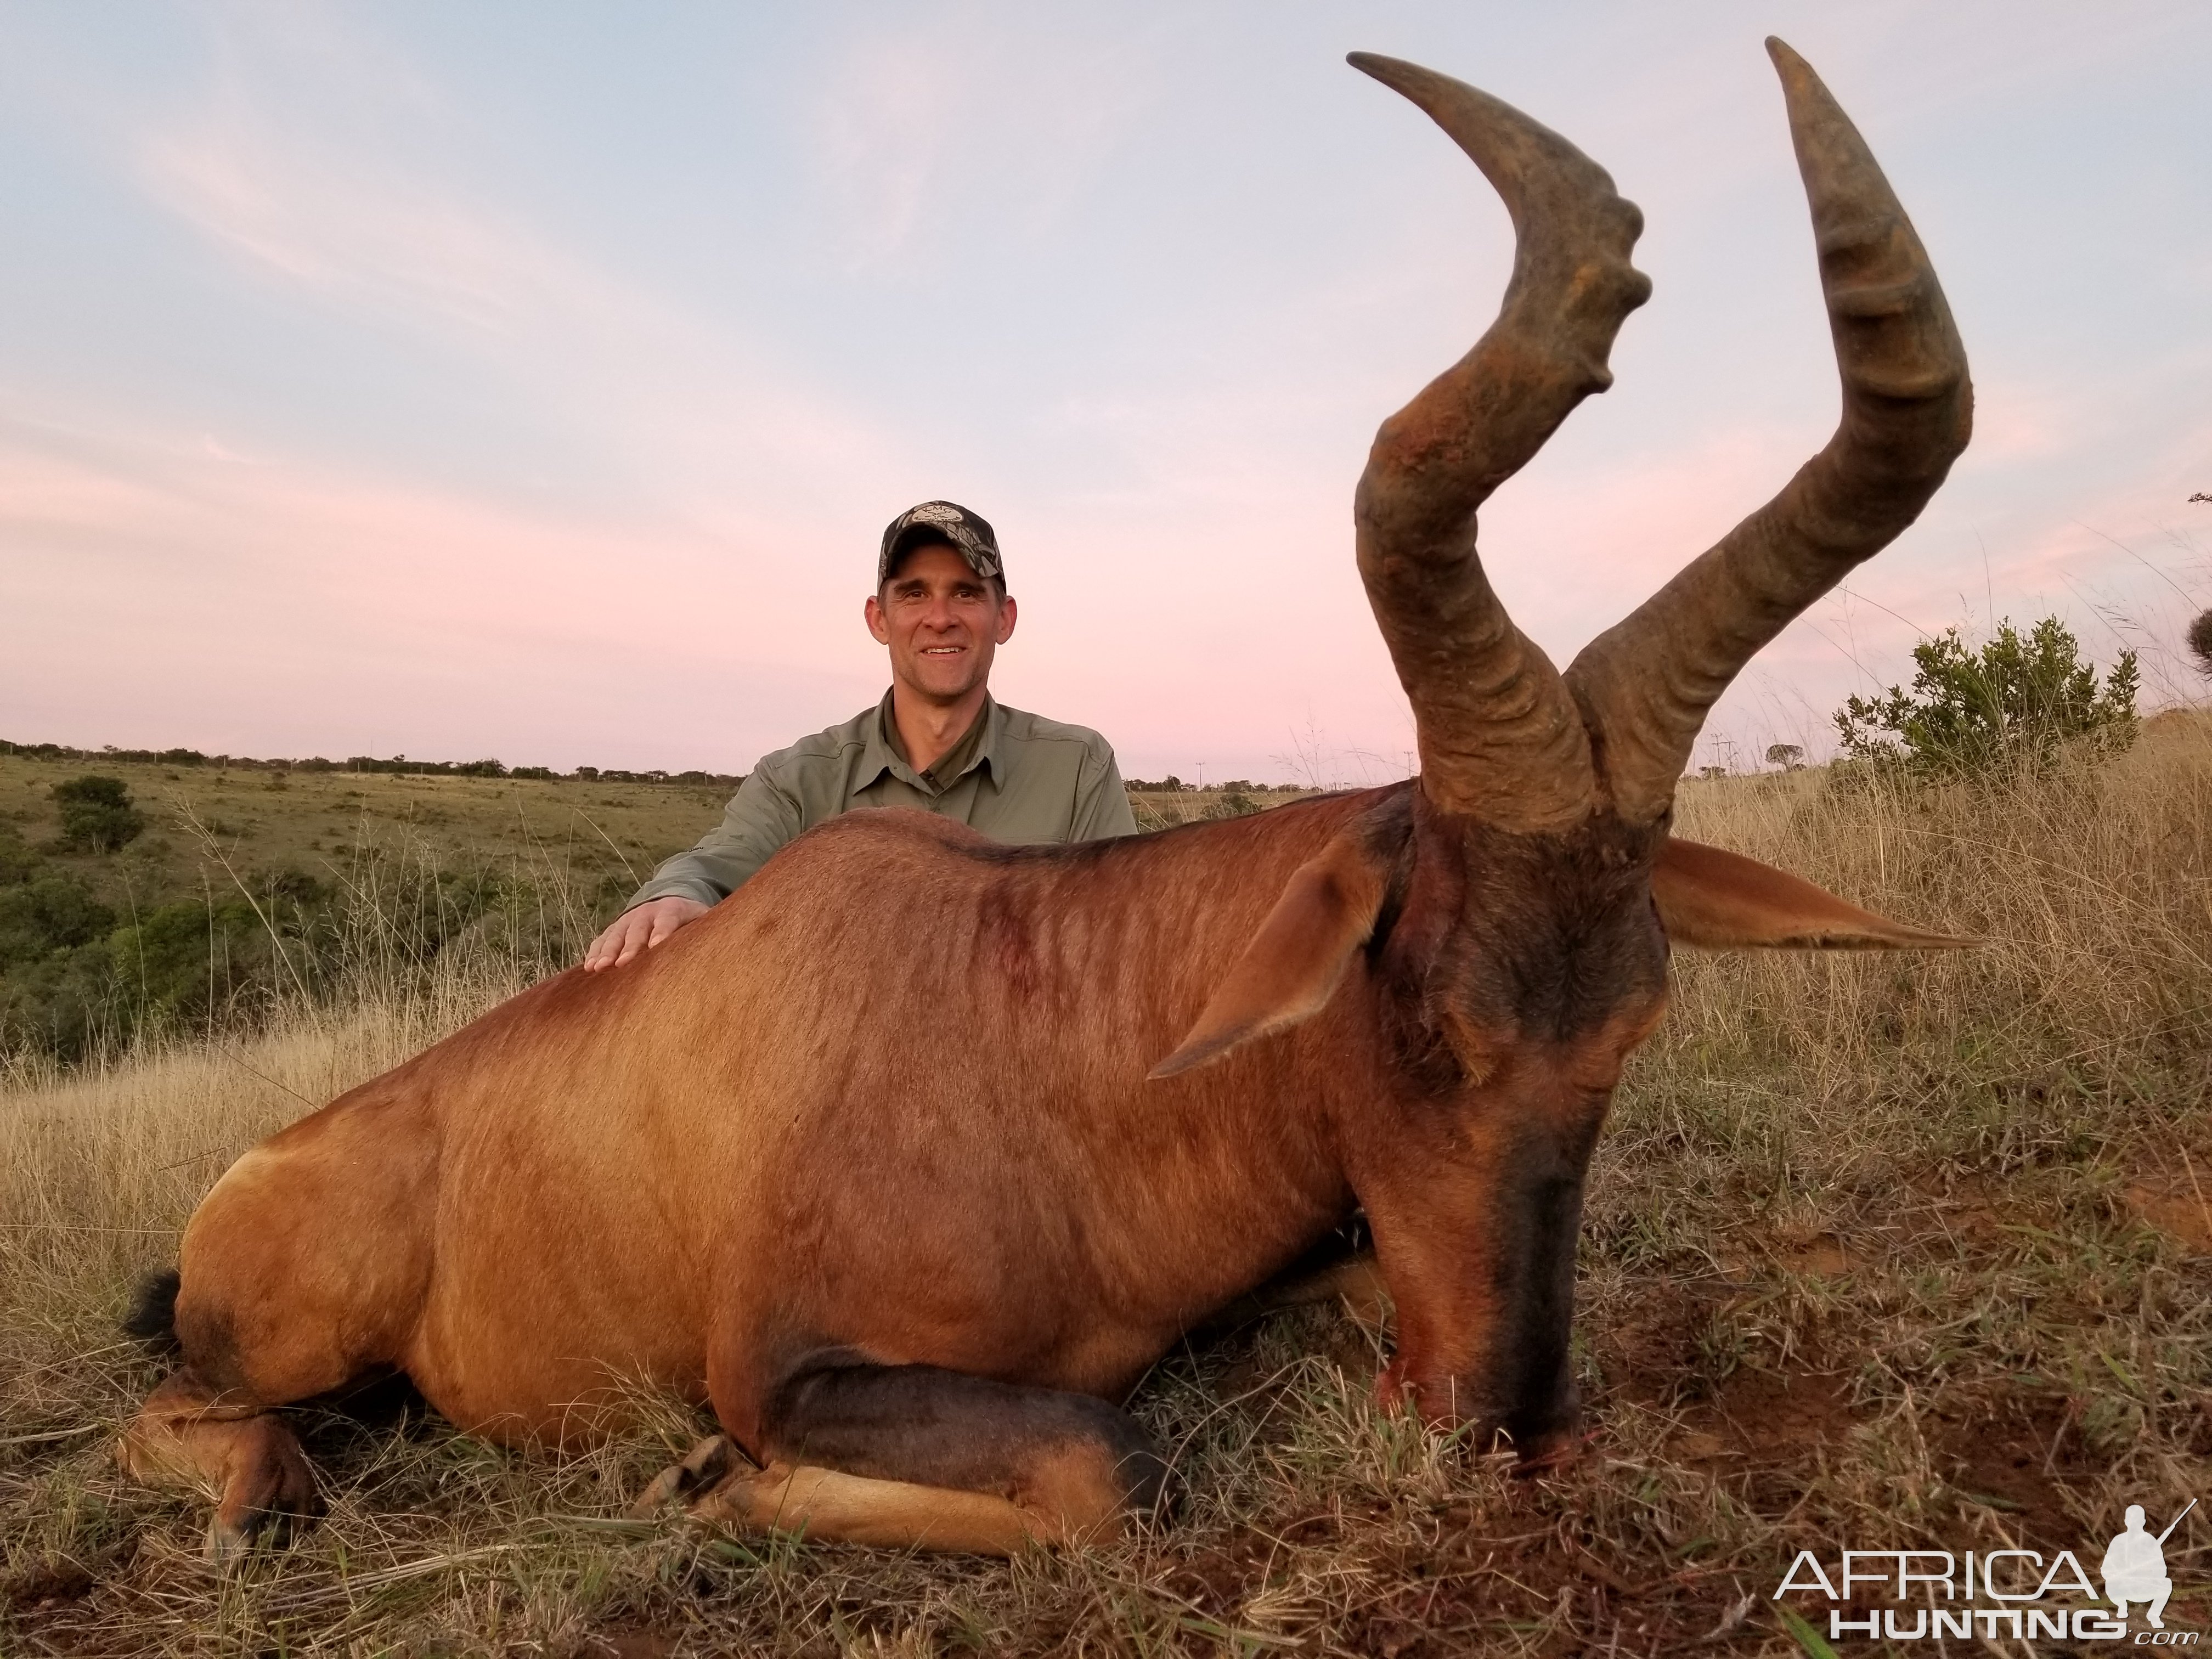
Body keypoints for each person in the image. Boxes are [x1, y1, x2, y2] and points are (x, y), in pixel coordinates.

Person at [584, 500, 1138, 971]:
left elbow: (1122, 939)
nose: (940, 617)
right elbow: (712, 866)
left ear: (1004, 618)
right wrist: (673, 896)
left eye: (966, 593)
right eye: (915, 594)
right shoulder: (799, 778)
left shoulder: (1076, 767)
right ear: (878, 618)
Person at [2102, 1504, 2174, 1628]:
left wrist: (2146, 1572)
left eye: (2137, 1520)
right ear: (2126, 1521)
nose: (2134, 1523)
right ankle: (2122, 1606)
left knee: (2167, 1584)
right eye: (2132, 1519)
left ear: (2143, 1522)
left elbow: (2162, 1570)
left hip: (2145, 1587)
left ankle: (2154, 1615)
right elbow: (2106, 1569)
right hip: (2123, 1587)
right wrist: (2121, 1573)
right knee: (2110, 1583)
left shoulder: (2150, 1541)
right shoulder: (2118, 1541)